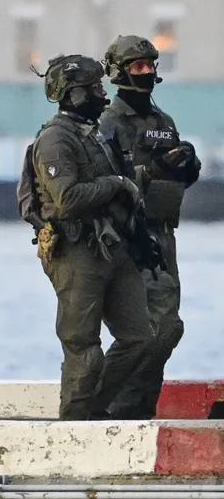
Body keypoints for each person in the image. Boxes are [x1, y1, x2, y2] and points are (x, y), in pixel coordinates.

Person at [20, 54, 154, 420]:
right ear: (73, 94)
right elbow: (67, 199)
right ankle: (75, 422)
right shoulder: (55, 139)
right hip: (75, 250)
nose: (102, 94)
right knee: (83, 346)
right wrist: (115, 184)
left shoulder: (95, 133)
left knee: (140, 338)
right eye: (94, 88)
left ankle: (91, 410)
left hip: (112, 246)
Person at [99, 36, 201, 419]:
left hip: (164, 235)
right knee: (156, 329)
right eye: (137, 66)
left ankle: (140, 409)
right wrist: (153, 169)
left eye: (149, 65)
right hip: (130, 238)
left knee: (166, 329)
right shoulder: (109, 122)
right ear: (119, 72)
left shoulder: (163, 122)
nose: (145, 72)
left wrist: (187, 164)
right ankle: (111, 405)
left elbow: (177, 178)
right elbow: (106, 182)